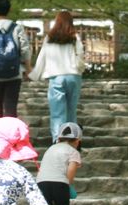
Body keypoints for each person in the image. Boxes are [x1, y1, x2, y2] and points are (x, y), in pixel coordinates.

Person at [27, 10, 86, 142]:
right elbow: (81, 56)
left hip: (56, 77)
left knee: (57, 113)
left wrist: (34, 75)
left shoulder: (50, 38)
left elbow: (42, 58)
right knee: (71, 111)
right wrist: (80, 69)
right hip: (73, 76)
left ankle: (57, 140)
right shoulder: (74, 37)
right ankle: (72, 140)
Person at [37, 122, 82, 205]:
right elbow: (70, 172)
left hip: (41, 183)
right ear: (77, 141)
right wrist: (68, 186)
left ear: (59, 138)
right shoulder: (73, 152)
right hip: (60, 183)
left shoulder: (50, 149)